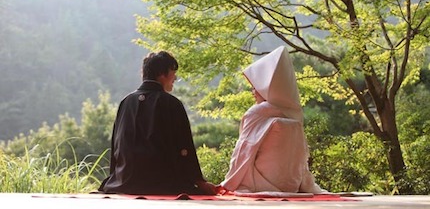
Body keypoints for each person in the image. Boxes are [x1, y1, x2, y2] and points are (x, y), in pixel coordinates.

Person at [99, 50, 217, 195]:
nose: (175, 77)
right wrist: (199, 181)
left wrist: (116, 177)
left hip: (124, 181)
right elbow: (184, 148)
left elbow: (117, 146)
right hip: (162, 183)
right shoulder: (171, 103)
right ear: (162, 73)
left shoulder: (126, 102)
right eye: (173, 72)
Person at [219, 46, 325, 194]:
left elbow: (243, 151)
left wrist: (228, 183)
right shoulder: (294, 112)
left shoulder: (257, 112)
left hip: (260, 184)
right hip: (291, 185)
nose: (253, 92)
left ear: (267, 88)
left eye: (255, 87)